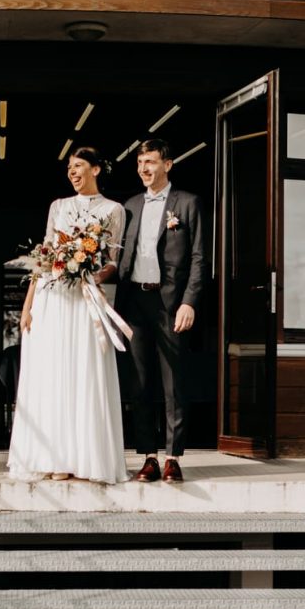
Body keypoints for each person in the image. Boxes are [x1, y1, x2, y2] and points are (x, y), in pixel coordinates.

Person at [7, 146, 128, 484]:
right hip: (52, 297)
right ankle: (52, 455)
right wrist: (28, 306)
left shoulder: (114, 210)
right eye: (69, 168)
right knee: (52, 372)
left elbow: (114, 259)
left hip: (84, 298)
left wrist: (91, 274)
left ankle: (82, 457)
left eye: (78, 166)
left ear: (96, 169)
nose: (72, 173)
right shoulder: (58, 207)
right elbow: (44, 255)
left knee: (83, 370)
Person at [117, 138, 205, 483]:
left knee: (173, 382)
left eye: (150, 162)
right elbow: (121, 255)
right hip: (134, 301)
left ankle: (173, 457)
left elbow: (199, 258)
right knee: (140, 382)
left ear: (168, 164)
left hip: (170, 302)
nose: (144, 169)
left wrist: (189, 301)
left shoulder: (188, 203)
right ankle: (148, 457)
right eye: (140, 163)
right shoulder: (130, 205)